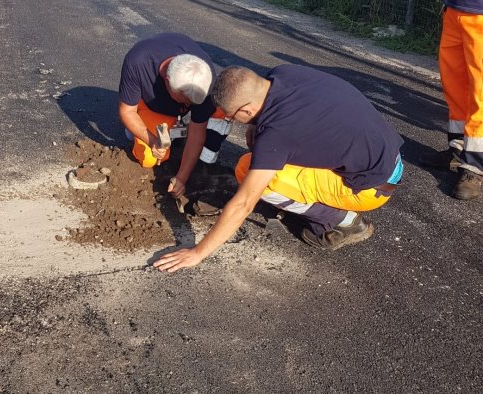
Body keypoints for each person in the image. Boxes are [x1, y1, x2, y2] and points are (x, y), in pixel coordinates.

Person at [154, 64, 404, 272]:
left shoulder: (277, 135)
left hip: (372, 188)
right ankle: (323, 202)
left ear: (246, 109)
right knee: (262, 159)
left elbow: (244, 203)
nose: (232, 120)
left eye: (231, 117)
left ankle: (340, 220)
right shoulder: (281, 74)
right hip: (387, 158)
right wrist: (254, 125)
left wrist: (197, 253)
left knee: (249, 169)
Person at [118, 32, 231, 198]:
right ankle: (148, 126)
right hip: (154, 106)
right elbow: (126, 111)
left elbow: (197, 132)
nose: (188, 106)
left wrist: (181, 178)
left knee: (225, 108)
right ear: (167, 81)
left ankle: (205, 161)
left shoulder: (204, 77)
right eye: (184, 100)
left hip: (183, 104)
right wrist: (152, 140)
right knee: (149, 158)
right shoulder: (138, 62)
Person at [436, 0, 483, 199]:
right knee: (454, 86)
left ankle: (475, 166)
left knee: (480, 92)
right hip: (455, 9)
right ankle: (457, 149)